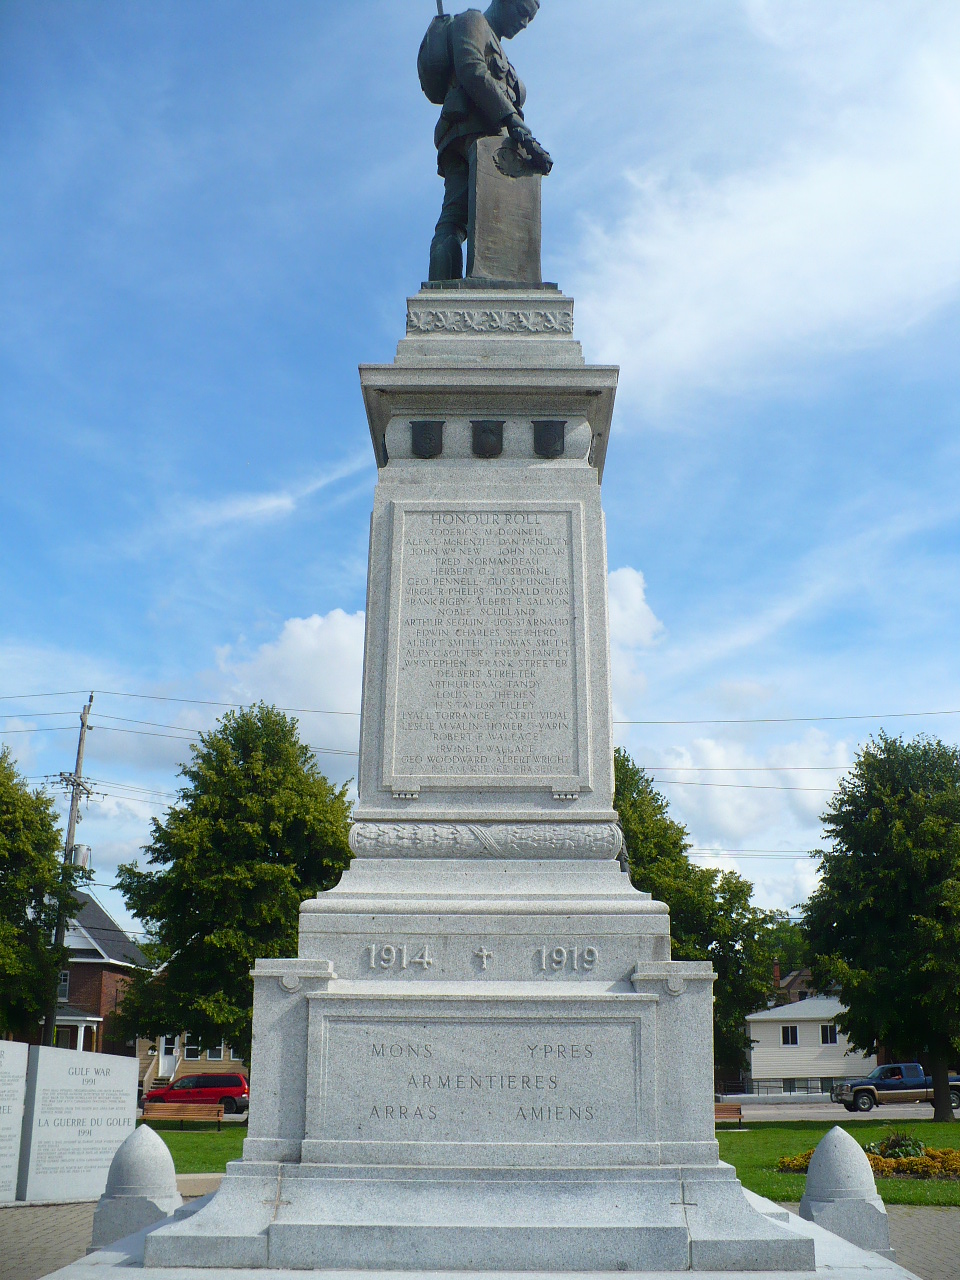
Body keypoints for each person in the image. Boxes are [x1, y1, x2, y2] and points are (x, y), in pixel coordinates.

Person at [429, 0, 552, 281]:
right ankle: (441, 295)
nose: (523, 24)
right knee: (454, 220)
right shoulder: (472, 21)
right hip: (467, 135)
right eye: (521, 13)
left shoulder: (500, 50)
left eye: (529, 19)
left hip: (494, 143)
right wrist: (512, 119)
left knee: (465, 219)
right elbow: (471, 68)